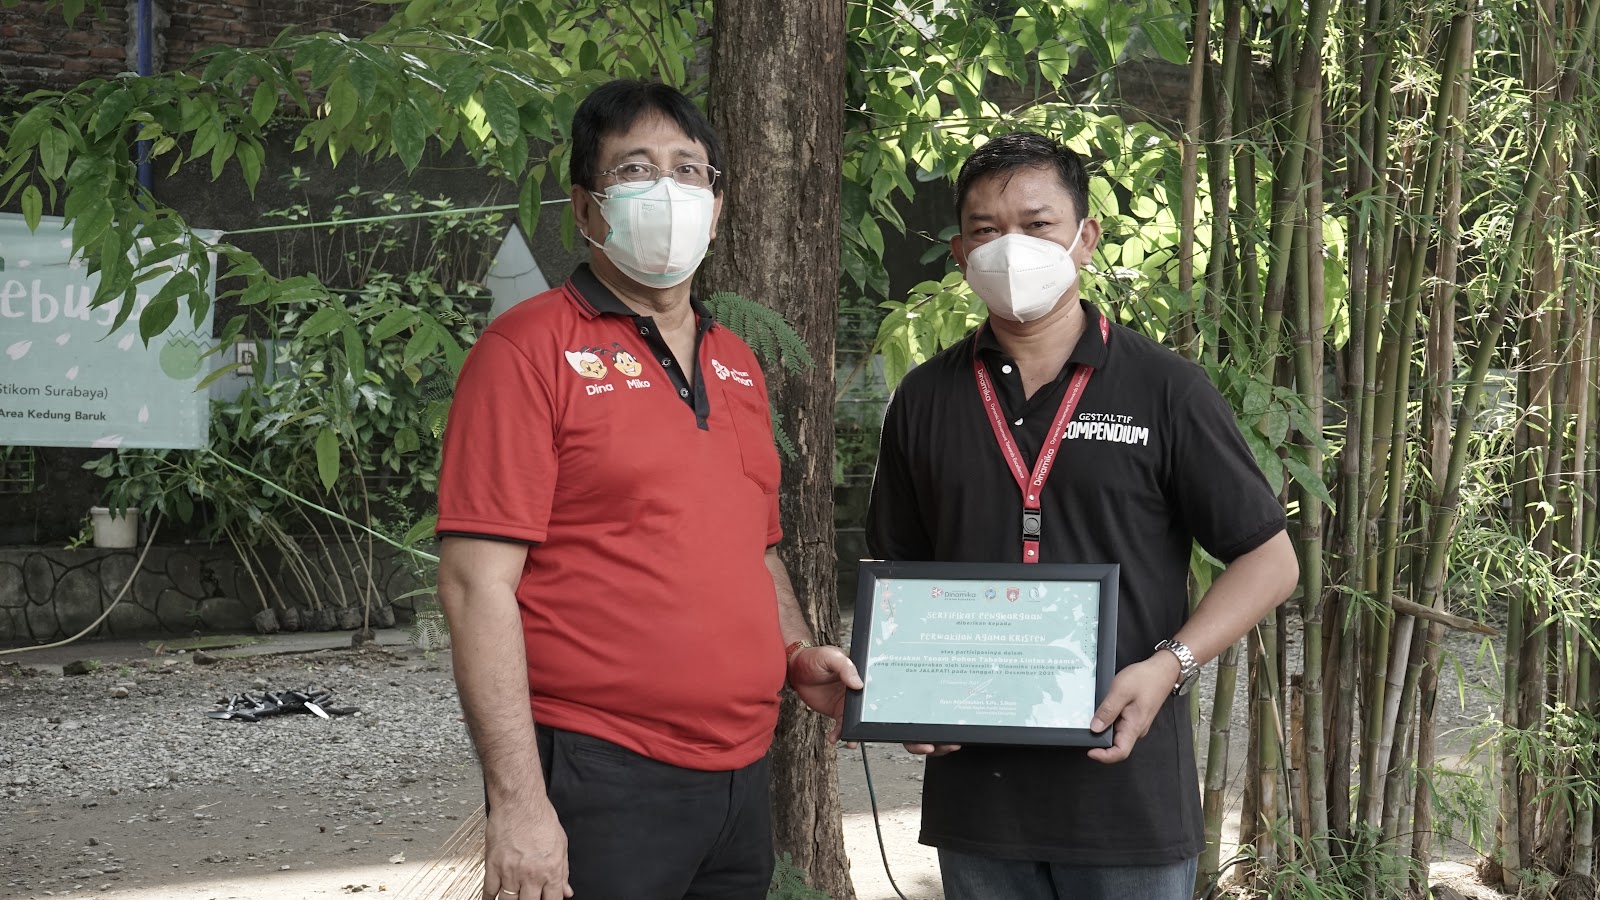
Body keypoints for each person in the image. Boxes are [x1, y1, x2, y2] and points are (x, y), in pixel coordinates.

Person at [434, 79, 861, 900]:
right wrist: (519, 805)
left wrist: (793, 653)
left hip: (741, 778)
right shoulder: (526, 351)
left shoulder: (736, 362)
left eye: (688, 170)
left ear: (717, 206)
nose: (667, 190)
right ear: (586, 209)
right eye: (634, 169)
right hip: (601, 773)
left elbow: (754, 547)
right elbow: (473, 587)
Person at [865, 131, 1300, 899]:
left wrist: (1170, 665)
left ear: (1085, 238)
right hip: (977, 804)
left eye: (1037, 225)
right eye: (985, 230)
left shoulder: (1166, 388)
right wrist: (907, 690)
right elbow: (899, 570)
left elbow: (1270, 560)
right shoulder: (924, 398)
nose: (1011, 248)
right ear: (960, 254)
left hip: (1126, 797)